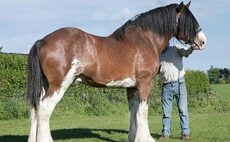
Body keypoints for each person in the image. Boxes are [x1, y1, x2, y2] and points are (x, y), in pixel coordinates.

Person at [159, 44, 196, 140]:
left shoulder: (176, 48)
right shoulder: (158, 54)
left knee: (183, 110)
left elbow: (186, 53)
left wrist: (192, 48)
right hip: (166, 86)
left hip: (180, 84)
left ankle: (185, 133)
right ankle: (165, 134)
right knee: (166, 112)